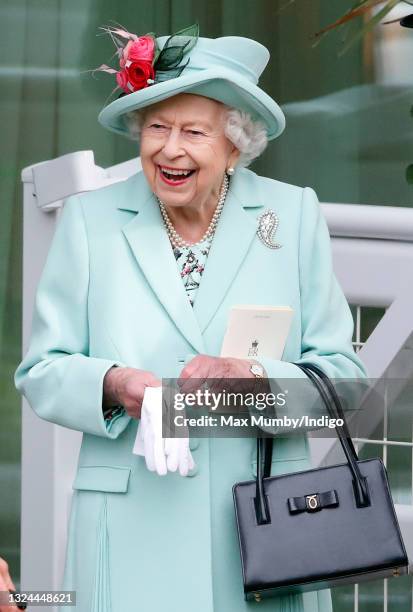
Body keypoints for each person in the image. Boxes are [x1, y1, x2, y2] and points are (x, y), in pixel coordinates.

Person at [14, 25, 367, 612]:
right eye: (157, 127)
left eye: (193, 132)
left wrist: (254, 376)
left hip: (262, 525)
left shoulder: (288, 214)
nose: (169, 149)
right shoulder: (90, 220)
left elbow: (343, 379)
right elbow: (42, 370)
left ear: (235, 145)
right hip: (129, 526)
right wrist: (113, 384)